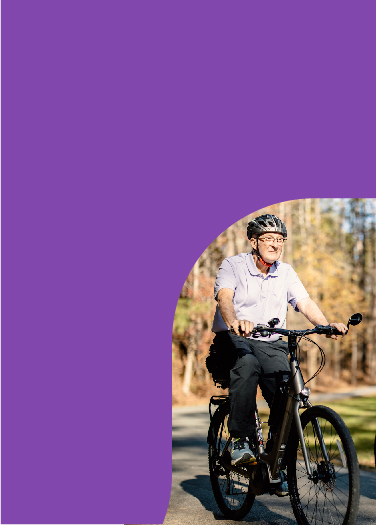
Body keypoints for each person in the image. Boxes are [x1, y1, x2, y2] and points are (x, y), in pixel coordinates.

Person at [211, 214, 347, 496]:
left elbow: (303, 301)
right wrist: (235, 321)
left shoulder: (285, 272)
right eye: (269, 239)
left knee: (289, 392)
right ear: (254, 241)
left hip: (273, 343)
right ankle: (239, 441)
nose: (275, 245)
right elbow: (225, 297)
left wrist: (323, 324)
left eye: (280, 240)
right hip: (236, 338)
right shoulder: (233, 265)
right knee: (247, 364)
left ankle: (275, 461)